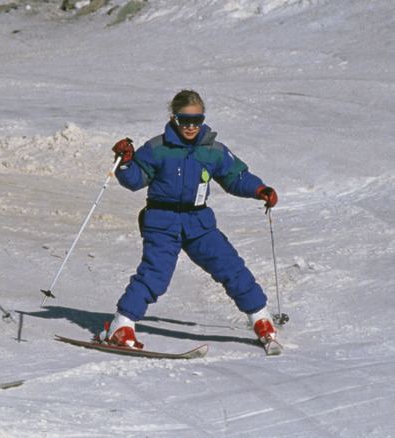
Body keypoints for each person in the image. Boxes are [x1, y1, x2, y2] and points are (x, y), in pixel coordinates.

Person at [98, 90, 280, 350]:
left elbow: (236, 177)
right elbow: (135, 180)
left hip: (199, 222)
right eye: (185, 120)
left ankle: (261, 319)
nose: (191, 127)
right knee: (155, 275)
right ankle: (121, 325)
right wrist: (126, 162)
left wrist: (259, 189)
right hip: (162, 222)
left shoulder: (213, 150)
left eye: (197, 120)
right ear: (174, 118)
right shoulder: (157, 148)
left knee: (230, 266)